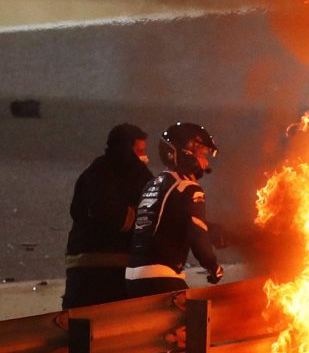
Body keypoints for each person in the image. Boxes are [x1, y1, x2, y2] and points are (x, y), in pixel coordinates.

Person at [125, 122, 224, 297]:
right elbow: (197, 232)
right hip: (161, 276)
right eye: (202, 155)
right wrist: (212, 266)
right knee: (201, 318)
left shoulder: (153, 184)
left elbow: (171, 221)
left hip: (132, 277)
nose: (205, 162)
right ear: (187, 153)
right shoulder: (188, 187)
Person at [62, 123, 154, 309]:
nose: (143, 158)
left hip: (110, 271)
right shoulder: (99, 177)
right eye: (139, 151)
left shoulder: (94, 174)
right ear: (125, 150)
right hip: (96, 274)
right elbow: (116, 218)